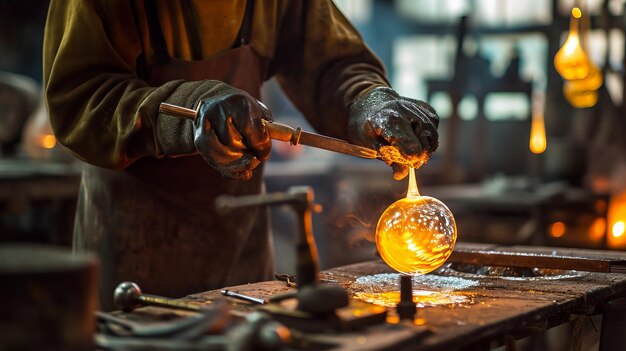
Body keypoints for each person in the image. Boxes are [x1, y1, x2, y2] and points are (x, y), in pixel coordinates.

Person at [43, 0, 439, 310]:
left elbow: (333, 65)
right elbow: (80, 97)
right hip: (134, 247)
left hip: (240, 243)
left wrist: (369, 101)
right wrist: (192, 109)